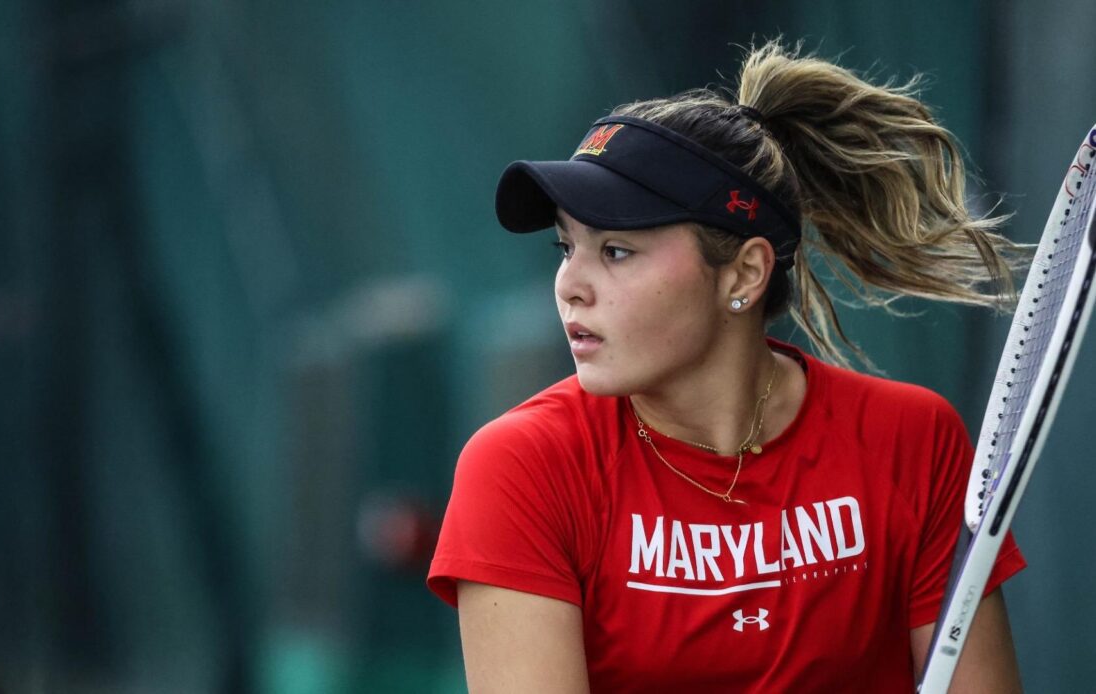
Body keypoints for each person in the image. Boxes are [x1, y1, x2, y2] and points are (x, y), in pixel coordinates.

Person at [427, 40, 1026, 693]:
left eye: (618, 251)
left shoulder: (911, 441)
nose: (570, 284)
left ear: (743, 273)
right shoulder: (521, 470)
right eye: (566, 246)